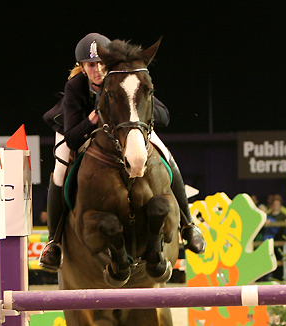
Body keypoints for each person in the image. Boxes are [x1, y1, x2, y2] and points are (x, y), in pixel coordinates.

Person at [39, 33, 206, 271]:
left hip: (125, 129)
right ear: (83, 68)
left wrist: (139, 111)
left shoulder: (123, 80)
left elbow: (163, 117)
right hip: (76, 129)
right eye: (90, 65)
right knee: (60, 168)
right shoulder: (75, 87)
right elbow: (74, 138)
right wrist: (93, 118)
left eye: (101, 64)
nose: (97, 70)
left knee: (165, 153)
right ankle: (53, 243)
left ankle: (189, 225)